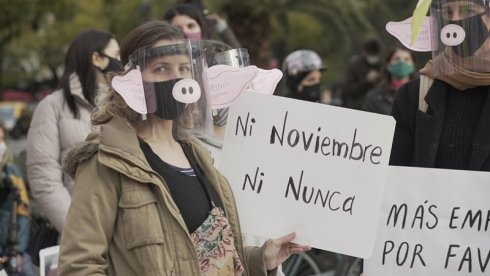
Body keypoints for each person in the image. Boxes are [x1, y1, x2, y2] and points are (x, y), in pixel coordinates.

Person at [57, 20, 310, 275]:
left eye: (184, 68)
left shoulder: (198, 155)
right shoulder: (107, 162)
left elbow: (210, 253)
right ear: (132, 81)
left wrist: (260, 259)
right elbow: (79, 265)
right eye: (161, 68)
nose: (176, 79)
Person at [26, 29, 121, 233]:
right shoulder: (52, 106)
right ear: (97, 58)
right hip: (84, 233)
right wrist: (79, 231)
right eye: (116, 55)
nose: (121, 62)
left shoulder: (126, 103)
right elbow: (44, 178)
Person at [390, 0, 490, 170]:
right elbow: (395, 177)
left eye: (467, 10)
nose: (455, 21)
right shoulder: (413, 96)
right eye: (447, 13)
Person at [0, 124, 36, 276]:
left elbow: (23, 212)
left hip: (10, 245)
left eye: (1, 139)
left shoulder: (11, 172)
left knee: (26, 268)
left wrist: (18, 250)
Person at [363, 46, 417, 115]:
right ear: (388, 64)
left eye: (406, 59)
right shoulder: (374, 97)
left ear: (413, 65)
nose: (401, 63)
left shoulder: (421, 96)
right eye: (397, 59)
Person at [163, 3, 241, 48]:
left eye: (190, 26)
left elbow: (234, 52)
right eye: (177, 28)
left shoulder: (214, 52)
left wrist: (220, 25)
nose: (185, 32)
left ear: (201, 27)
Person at [342, 38, 383, 110]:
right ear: (365, 52)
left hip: (377, 107)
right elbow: (348, 90)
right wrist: (366, 81)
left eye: (375, 53)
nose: (373, 56)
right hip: (358, 107)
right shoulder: (355, 66)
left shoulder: (381, 66)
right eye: (371, 53)